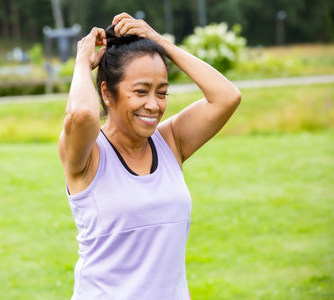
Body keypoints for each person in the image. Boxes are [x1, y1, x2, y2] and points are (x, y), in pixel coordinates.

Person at [59, 12, 241, 300]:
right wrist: (83, 61)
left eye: (162, 92)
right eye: (141, 91)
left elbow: (227, 97)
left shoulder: (171, 142)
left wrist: (159, 43)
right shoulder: (89, 156)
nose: (154, 105)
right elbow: (82, 114)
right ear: (107, 93)